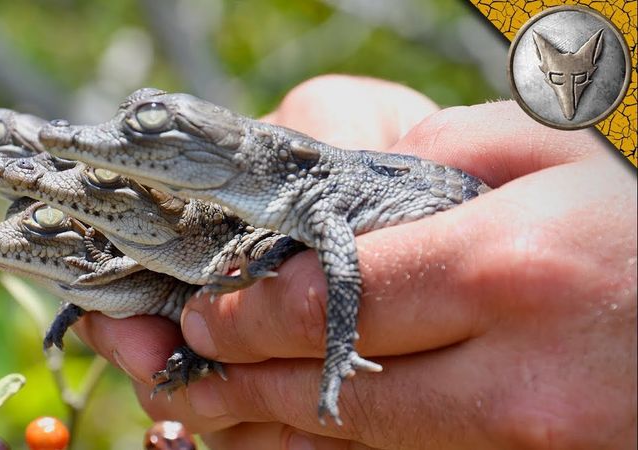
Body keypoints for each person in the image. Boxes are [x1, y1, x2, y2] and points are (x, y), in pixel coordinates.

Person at [74, 75, 637, 449]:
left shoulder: (308, 197)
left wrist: (338, 353)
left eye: (150, 128)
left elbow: (342, 266)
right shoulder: (261, 211)